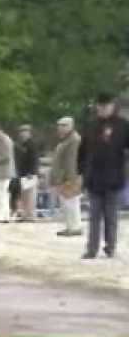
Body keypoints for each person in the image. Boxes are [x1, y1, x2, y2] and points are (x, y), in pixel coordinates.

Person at [78, 92, 129, 259]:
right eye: (100, 106)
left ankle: (110, 246)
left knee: (111, 216)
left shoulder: (123, 125)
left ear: (113, 106)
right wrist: (80, 171)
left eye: (106, 106)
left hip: (114, 177)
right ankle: (91, 248)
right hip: (94, 178)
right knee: (94, 216)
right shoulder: (91, 125)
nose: (102, 109)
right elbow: (83, 151)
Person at [50, 117, 83, 237]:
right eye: (59, 125)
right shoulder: (65, 140)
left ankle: (74, 227)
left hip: (69, 176)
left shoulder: (73, 140)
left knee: (71, 202)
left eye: (64, 125)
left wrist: (70, 178)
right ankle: (71, 226)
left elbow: (71, 161)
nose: (61, 127)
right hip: (63, 176)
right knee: (67, 202)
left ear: (71, 126)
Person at [15, 125, 39, 222]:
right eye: (21, 131)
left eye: (24, 131)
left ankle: (31, 215)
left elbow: (34, 159)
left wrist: (31, 172)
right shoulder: (23, 144)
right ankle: (25, 215)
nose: (22, 133)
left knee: (30, 196)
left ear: (29, 133)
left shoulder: (32, 144)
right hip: (23, 173)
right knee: (24, 196)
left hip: (30, 174)